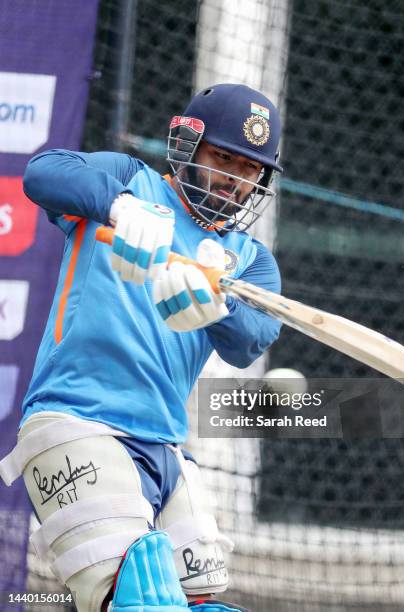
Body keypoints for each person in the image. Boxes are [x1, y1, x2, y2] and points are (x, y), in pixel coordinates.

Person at [0, 83, 283, 612]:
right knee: (139, 602)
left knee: (205, 606)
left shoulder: (250, 260)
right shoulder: (133, 181)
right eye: (224, 158)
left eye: (250, 170)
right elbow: (42, 172)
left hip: (169, 449)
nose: (235, 180)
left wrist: (218, 309)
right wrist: (118, 207)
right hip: (76, 422)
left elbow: (253, 341)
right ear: (188, 146)